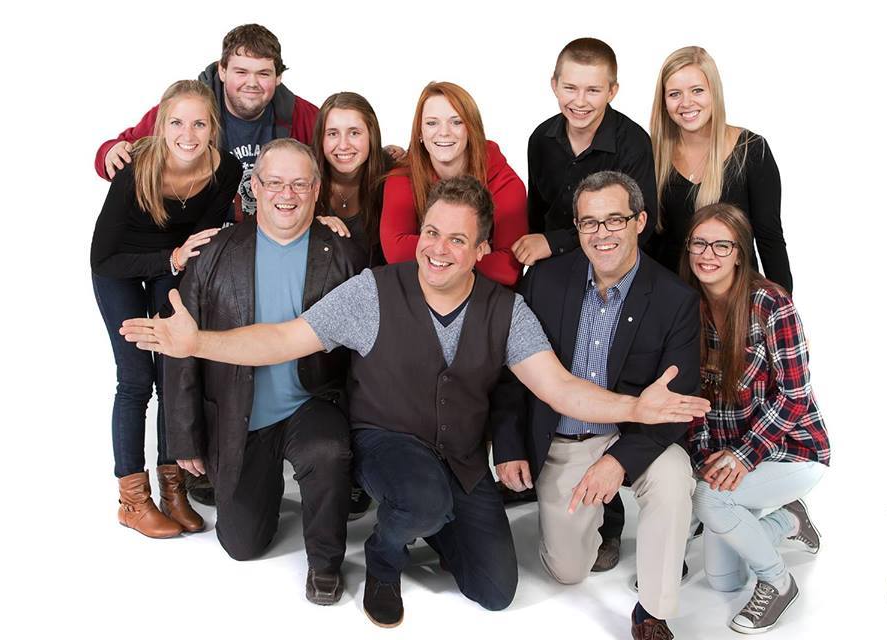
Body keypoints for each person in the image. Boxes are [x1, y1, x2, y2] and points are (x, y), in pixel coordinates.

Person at [120, 175, 711, 628]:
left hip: (458, 456)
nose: (438, 249)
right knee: (419, 499)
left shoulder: (507, 310)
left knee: (496, 589)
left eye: (458, 239)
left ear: (481, 249)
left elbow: (559, 387)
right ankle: (385, 554)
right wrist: (197, 341)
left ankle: (426, 521)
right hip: (386, 441)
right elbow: (283, 338)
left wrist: (636, 410)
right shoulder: (373, 291)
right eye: (431, 232)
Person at [493, 171, 699, 640]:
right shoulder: (543, 282)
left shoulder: (674, 300)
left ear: (640, 221)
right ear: (577, 227)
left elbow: (673, 407)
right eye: (589, 223)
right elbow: (511, 375)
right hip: (562, 439)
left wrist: (617, 461)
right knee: (567, 571)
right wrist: (507, 445)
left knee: (673, 476)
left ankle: (654, 610)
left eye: (614, 220)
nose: (602, 234)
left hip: (632, 435)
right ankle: (597, 526)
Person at [164, 139, 366, 605]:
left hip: (311, 401)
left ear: (317, 189)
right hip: (240, 412)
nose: (286, 193)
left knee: (327, 450)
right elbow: (181, 351)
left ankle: (325, 562)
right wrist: (185, 436)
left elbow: (362, 357)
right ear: (254, 187)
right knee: (241, 545)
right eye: (274, 182)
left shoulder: (342, 255)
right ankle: (262, 487)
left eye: (299, 183)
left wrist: (365, 435)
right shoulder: (214, 253)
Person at [90, 79, 242, 539]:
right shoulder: (136, 168)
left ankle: (172, 486)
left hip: (169, 266)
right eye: (177, 122)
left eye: (199, 123)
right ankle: (133, 500)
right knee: (135, 378)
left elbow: (198, 239)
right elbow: (103, 257)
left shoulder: (225, 171)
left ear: (213, 127)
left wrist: (175, 265)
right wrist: (170, 258)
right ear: (160, 126)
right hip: (121, 267)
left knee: (173, 370)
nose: (188, 134)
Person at [682, 203, 829, 634]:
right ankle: (790, 519)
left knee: (708, 500)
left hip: (791, 453)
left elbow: (795, 396)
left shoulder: (771, 303)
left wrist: (743, 457)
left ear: (740, 253)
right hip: (731, 456)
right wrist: (708, 458)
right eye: (699, 243)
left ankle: (779, 583)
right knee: (723, 580)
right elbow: (691, 397)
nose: (708, 254)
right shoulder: (687, 308)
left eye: (721, 245)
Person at [94, 24, 318, 224]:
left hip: (274, 235)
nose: (252, 83)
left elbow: (334, 164)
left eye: (263, 74)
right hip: (203, 235)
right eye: (241, 72)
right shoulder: (191, 108)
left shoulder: (302, 115)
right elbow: (124, 149)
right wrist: (109, 152)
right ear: (222, 70)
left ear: (278, 77)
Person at [647, 46, 793, 292]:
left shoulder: (752, 150)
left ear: (714, 92)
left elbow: (770, 241)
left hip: (736, 301)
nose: (686, 103)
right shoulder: (650, 153)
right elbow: (647, 245)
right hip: (672, 303)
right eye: (674, 94)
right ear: (663, 101)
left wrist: (784, 311)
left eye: (697, 91)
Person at [513, 37, 657, 267]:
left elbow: (642, 227)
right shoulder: (541, 138)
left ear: (612, 92)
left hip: (614, 262)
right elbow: (537, 215)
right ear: (554, 85)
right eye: (570, 88)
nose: (580, 102)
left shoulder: (634, 142)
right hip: (553, 263)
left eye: (593, 90)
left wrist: (555, 242)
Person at [379, 82, 527, 287]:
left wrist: (434, 256)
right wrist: (470, 250)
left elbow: (508, 269)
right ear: (419, 132)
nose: (444, 132)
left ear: (471, 128)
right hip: (419, 296)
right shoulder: (402, 176)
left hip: (484, 299)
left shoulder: (505, 181)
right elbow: (395, 251)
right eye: (432, 123)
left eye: (456, 122)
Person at [312, 92, 392, 267]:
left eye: (354, 133)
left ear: (372, 135)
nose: (343, 145)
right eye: (332, 134)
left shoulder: (391, 176)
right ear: (321, 138)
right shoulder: (302, 177)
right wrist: (310, 227)